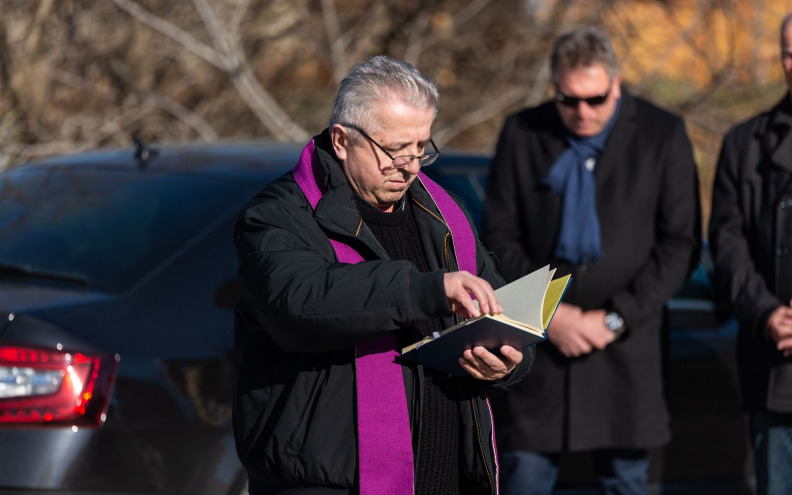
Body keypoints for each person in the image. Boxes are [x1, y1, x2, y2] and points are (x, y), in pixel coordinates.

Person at [232, 55, 532, 495]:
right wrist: (428, 289)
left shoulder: (441, 212)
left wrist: (507, 361)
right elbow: (302, 303)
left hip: (449, 476)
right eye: (394, 150)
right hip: (328, 482)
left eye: (421, 148)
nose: (411, 166)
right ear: (341, 140)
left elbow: (499, 305)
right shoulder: (277, 215)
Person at [481, 26, 701, 494]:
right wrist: (550, 315)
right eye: (568, 99)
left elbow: (680, 243)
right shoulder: (523, 132)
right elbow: (499, 236)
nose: (582, 111)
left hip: (625, 350)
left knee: (625, 481)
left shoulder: (662, 134)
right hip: (538, 349)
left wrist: (616, 318)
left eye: (596, 99)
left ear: (616, 85)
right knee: (524, 477)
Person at [709, 13, 792, 495]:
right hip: (775, 365)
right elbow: (727, 242)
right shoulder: (745, 144)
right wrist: (765, 313)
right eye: (788, 52)